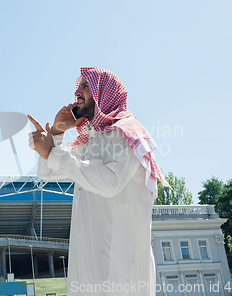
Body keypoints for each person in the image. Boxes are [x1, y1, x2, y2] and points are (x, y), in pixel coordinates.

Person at [28, 67, 168, 296]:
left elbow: (110, 182)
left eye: (85, 86)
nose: (78, 93)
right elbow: (47, 173)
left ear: (104, 92)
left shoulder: (127, 133)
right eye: (77, 87)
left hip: (121, 270)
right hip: (87, 268)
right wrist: (55, 133)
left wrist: (53, 153)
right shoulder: (88, 143)